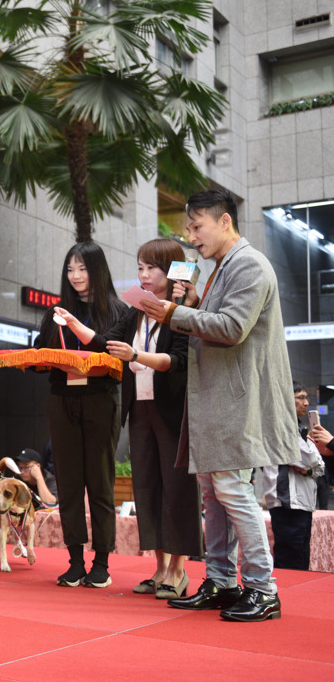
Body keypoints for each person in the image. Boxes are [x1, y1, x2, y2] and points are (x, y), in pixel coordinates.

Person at [143, 188, 299, 622]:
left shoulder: (248, 263)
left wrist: (173, 313)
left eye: (197, 226)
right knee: (215, 495)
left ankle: (263, 589)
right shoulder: (223, 267)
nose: (192, 236)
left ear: (224, 221)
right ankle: (223, 581)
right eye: (189, 227)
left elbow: (232, 328)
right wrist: (190, 304)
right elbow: (219, 325)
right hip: (219, 400)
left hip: (235, 400)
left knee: (231, 491)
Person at [105, 238, 201, 600]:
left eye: (152, 268)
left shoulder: (182, 311)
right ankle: (159, 567)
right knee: (146, 487)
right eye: (140, 267)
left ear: (172, 271)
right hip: (140, 409)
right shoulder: (134, 312)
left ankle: (178, 569)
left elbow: (178, 363)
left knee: (176, 489)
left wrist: (137, 355)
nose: (144, 275)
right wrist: (73, 325)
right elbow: (105, 341)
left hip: (173, 411)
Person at [34, 241, 128, 589]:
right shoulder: (55, 312)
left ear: (97, 270)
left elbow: (120, 359)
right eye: (70, 269)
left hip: (100, 401)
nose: (75, 276)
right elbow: (41, 352)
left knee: (100, 483)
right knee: (69, 484)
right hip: (61, 401)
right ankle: (74, 560)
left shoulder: (117, 311)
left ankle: (101, 561)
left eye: (83, 268)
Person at [261, 382, 325, 570]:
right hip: (287, 502)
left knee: (300, 557)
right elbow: (309, 461)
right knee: (291, 560)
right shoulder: (281, 425)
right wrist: (313, 466)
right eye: (300, 398)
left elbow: (317, 465)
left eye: (307, 398)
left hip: (301, 502)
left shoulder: (297, 427)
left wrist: (312, 467)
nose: (306, 403)